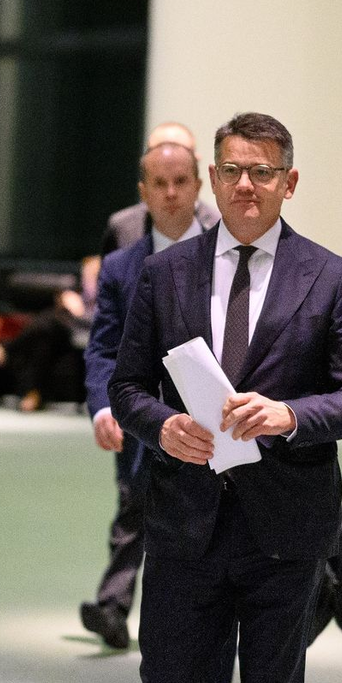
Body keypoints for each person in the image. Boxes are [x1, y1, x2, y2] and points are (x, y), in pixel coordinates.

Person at [110, 113, 342, 683]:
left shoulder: (331, 278)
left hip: (288, 521)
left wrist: (289, 414)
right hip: (188, 513)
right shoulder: (167, 274)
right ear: (213, 180)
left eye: (262, 172)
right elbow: (128, 384)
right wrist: (159, 424)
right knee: (169, 678)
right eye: (232, 170)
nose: (245, 184)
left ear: (289, 183)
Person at [81, 141, 217, 649]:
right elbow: (103, 348)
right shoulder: (120, 268)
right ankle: (114, 607)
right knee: (134, 506)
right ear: (143, 193)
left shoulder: (228, 257)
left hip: (210, 416)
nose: (171, 193)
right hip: (143, 418)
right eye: (159, 183)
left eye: (181, 181)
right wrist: (102, 409)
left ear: (199, 187)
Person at [100, 122, 220, 256]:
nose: (167, 158)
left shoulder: (220, 226)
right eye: (157, 151)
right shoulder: (123, 227)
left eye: (180, 150)